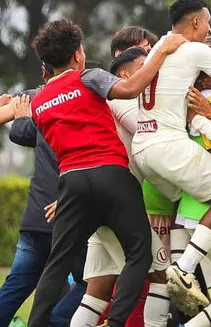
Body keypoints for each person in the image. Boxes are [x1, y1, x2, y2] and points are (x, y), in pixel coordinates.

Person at [27, 18, 186, 327]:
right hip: (112, 174)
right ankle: (114, 324)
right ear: (77, 54)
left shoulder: (40, 101)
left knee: (57, 263)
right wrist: (162, 51)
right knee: (139, 254)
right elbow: (129, 88)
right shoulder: (88, 77)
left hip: (72, 183)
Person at [130, 0, 211, 311]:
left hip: (143, 149)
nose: (210, 29)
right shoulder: (194, 49)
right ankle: (183, 270)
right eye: (209, 23)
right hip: (167, 144)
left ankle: (181, 263)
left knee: (194, 203)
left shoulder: (159, 47)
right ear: (197, 21)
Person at [0, 63, 87, 327]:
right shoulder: (84, 96)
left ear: (43, 69)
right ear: (76, 58)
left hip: (38, 214)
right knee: (96, 282)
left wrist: (14, 115)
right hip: (71, 211)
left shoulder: (35, 100)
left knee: (15, 286)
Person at [68, 47, 171, 327]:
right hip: (117, 203)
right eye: (143, 65)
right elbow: (144, 128)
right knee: (161, 274)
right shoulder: (122, 99)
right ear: (124, 75)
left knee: (97, 290)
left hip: (97, 204)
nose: (152, 70)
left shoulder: (99, 104)